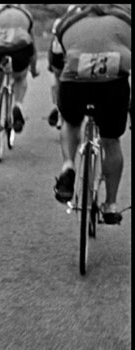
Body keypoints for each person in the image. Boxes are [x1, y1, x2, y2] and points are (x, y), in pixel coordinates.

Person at [51, 4, 131, 225]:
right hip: (113, 84)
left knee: (70, 121)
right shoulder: (125, 18)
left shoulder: (67, 21)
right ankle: (111, 205)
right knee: (111, 141)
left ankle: (68, 165)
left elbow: (57, 64)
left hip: (74, 82)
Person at [0, 4, 39, 133]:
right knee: (20, 78)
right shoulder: (25, 14)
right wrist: (33, 69)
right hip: (20, 49)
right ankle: (18, 106)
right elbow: (33, 45)